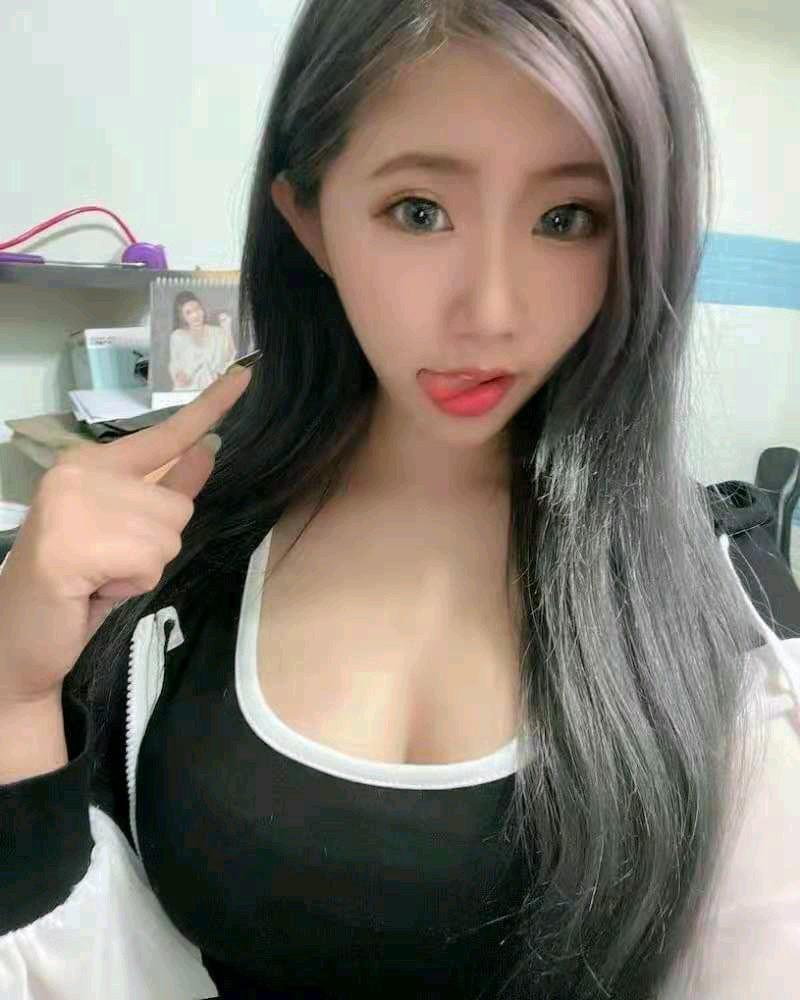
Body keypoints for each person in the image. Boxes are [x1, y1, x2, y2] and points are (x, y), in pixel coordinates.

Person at [1, 1, 799, 997]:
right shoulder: (171, 570)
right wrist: (14, 692)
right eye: (419, 211)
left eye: (566, 219)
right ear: (309, 218)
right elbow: (72, 945)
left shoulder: (728, 618)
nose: (491, 313)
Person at [168, 291, 238, 390]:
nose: (195, 315)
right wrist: (179, 376)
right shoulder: (178, 336)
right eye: (188, 312)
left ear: (202, 309)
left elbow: (230, 357)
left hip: (214, 391)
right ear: (182, 317)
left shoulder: (217, 333)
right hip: (187, 392)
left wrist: (227, 329)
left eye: (197, 309)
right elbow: (175, 366)